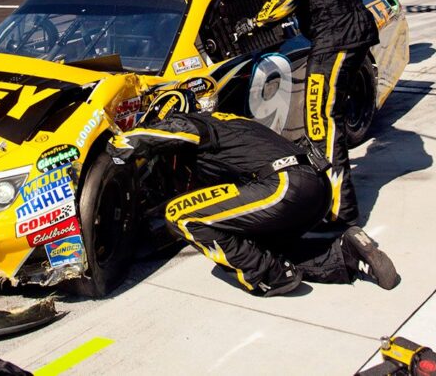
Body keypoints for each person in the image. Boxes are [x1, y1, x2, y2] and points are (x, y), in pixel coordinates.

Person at [108, 89, 398, 296]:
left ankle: (270, 276)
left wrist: (123, 143)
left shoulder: (198, 123)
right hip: (315, 189)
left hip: (284, 185)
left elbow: (177, 130)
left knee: (182, 215)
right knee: (258, 246)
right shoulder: (234, 121)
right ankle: (345, 255)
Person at [246, 0, 379, 227]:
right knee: (326, 119)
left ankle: (338, 212)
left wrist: (254, 22)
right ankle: (334, 202)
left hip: (335, 37)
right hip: (354, 30)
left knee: (320, 121)